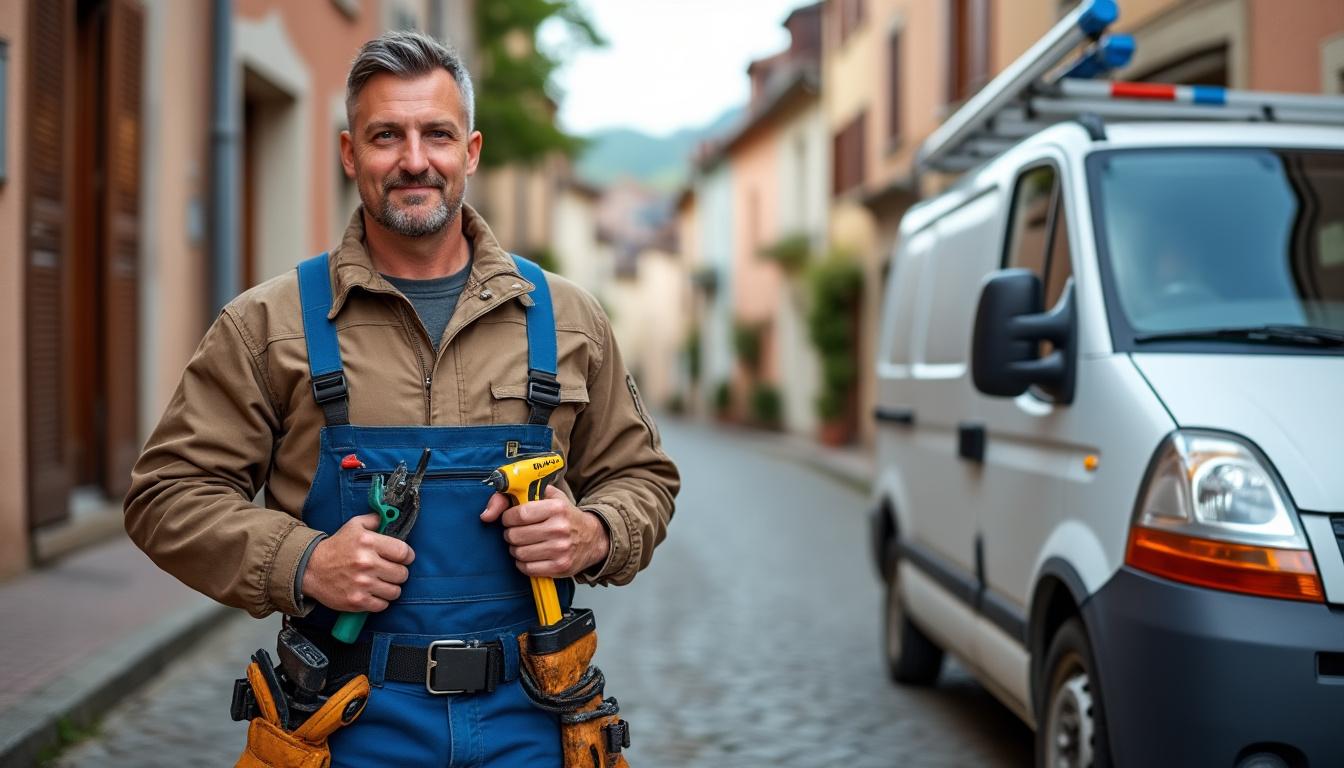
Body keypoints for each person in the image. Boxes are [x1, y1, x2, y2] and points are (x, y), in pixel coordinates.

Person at [124, 30, 679, 767]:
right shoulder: (270, 323)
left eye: (437, 135)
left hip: (533, 720)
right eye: (387, 135)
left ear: (471, 151)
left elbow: (644, 478)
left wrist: (596, 532)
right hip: (343, 722)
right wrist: (304, 560)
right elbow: (165, 495)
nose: (414, 160)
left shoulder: (568, 318)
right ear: (351, 153)